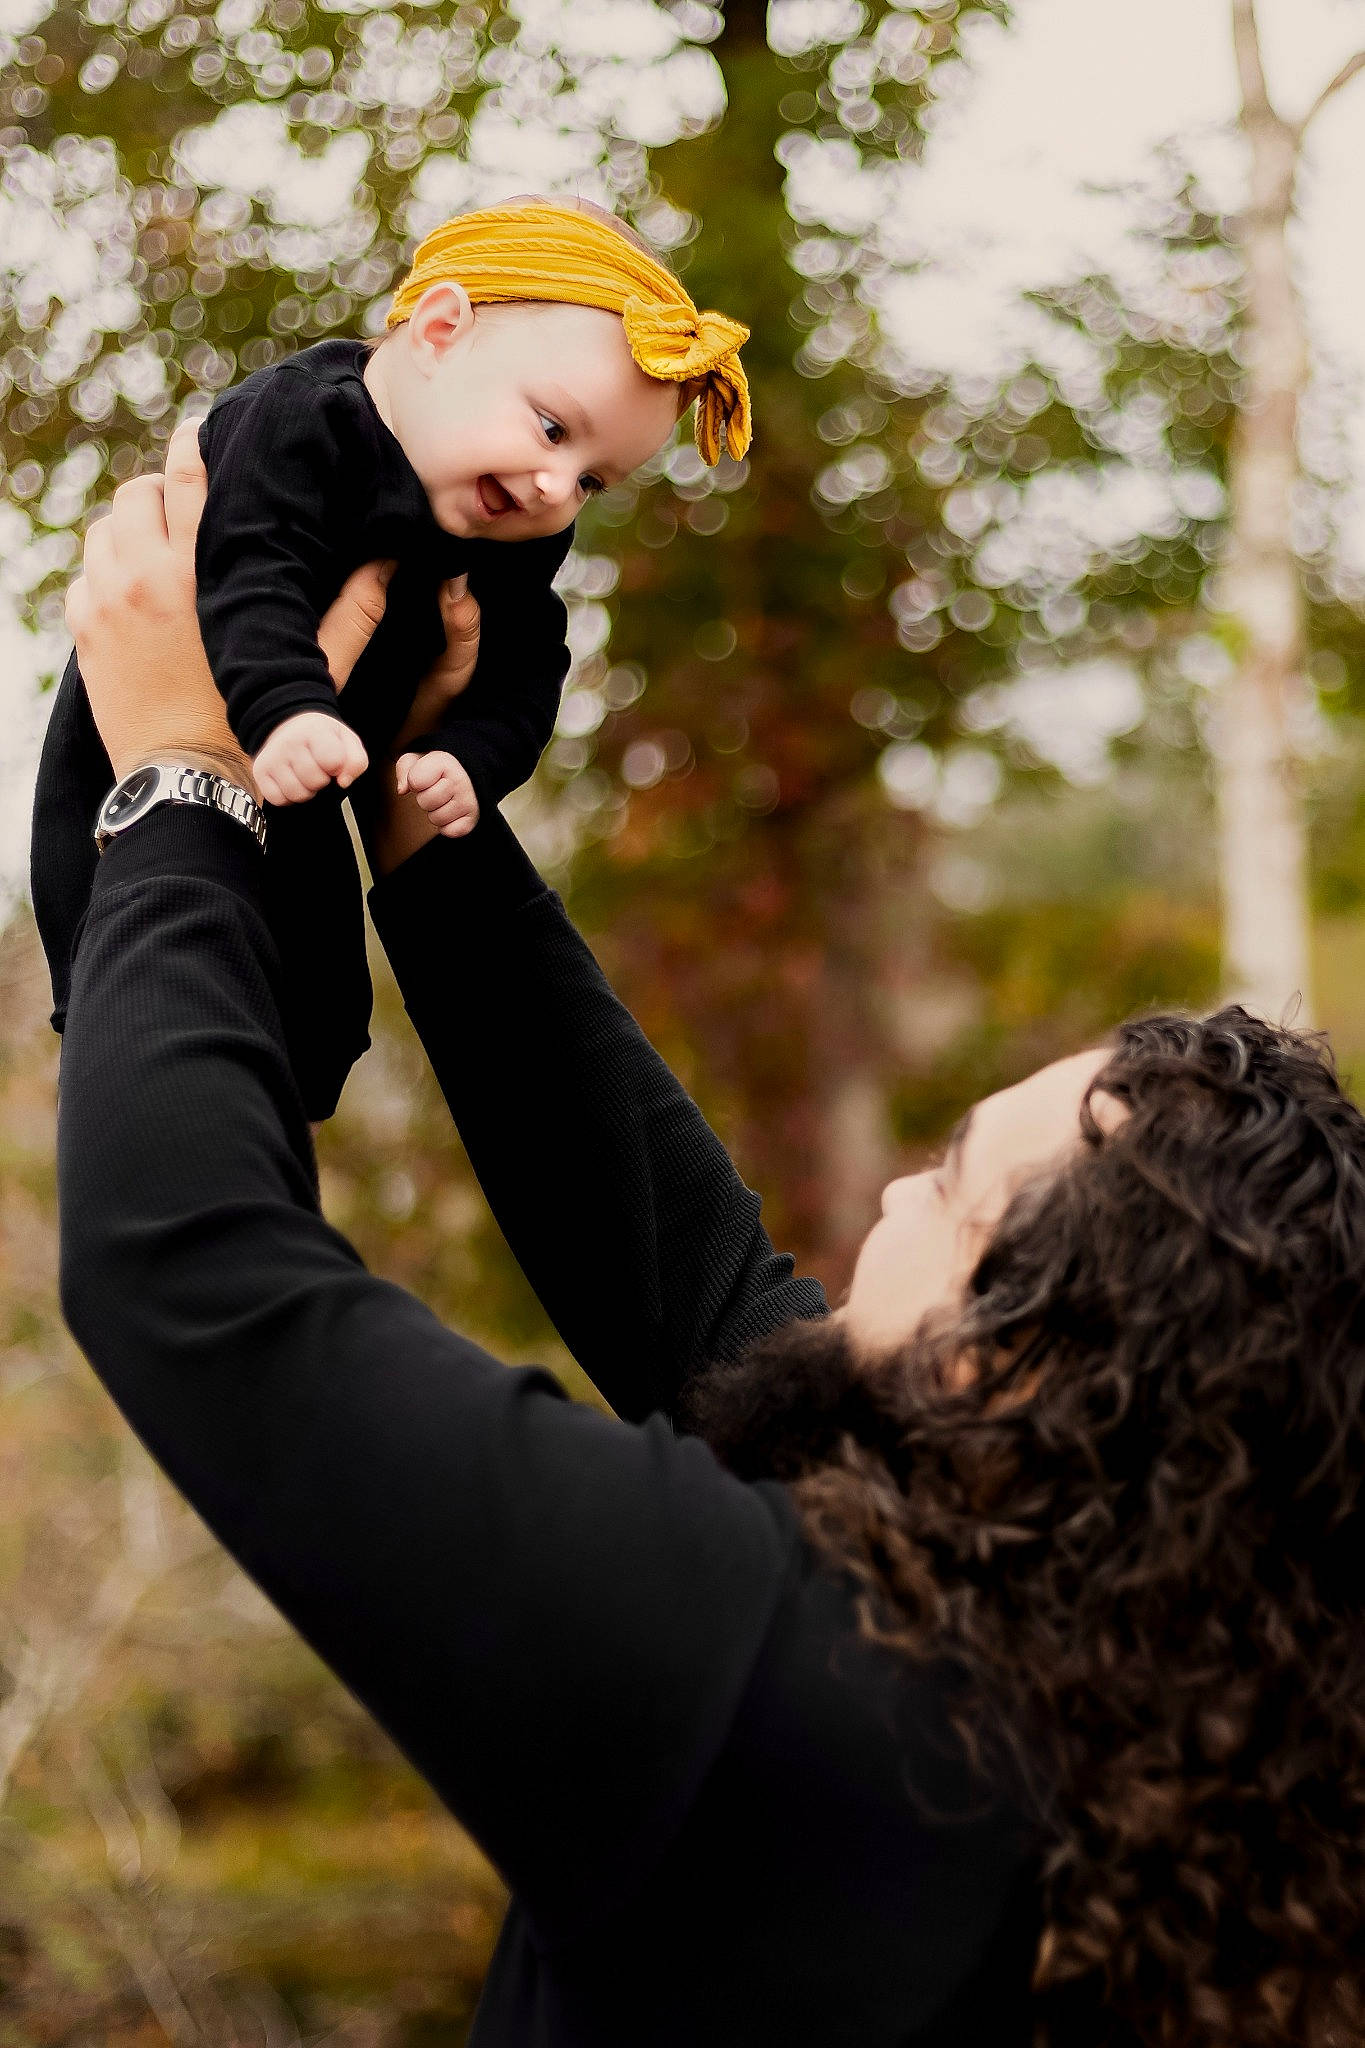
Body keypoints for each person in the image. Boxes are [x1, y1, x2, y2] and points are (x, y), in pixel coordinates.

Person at [54, 425, 1365, 2048]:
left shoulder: (782, 1691)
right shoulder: (1133, 1709)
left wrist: (180, 783)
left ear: (1024, 1364)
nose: (891, 1197)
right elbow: (688, 1272)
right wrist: (423, 811)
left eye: (953, 1185)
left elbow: (196, 1268)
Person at [31, 196, 750, 1121]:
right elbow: (252, 568)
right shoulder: (304, 421)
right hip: (155, 737)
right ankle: (140, 1082)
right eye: (552, 428)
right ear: (440, 332)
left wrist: (467, 757)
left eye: (591, 481)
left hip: (319, 773)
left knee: (319, 1017)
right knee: (152, 980)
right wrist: (287, 706)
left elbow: (529, 667)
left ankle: (264, 1119)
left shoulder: (514, 526)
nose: (555, 489)